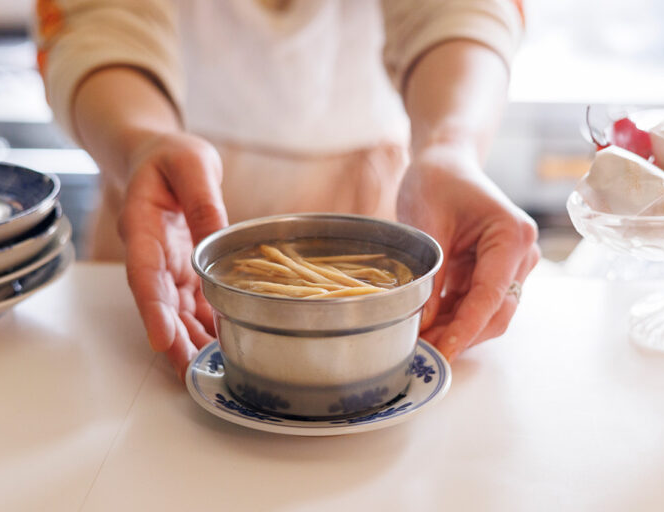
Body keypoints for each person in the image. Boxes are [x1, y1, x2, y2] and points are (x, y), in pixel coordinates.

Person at [34, 0, 540, 380]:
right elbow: (100, 17)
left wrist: (450, 147)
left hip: (377, 209)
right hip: (166, 212)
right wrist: (141, 144)